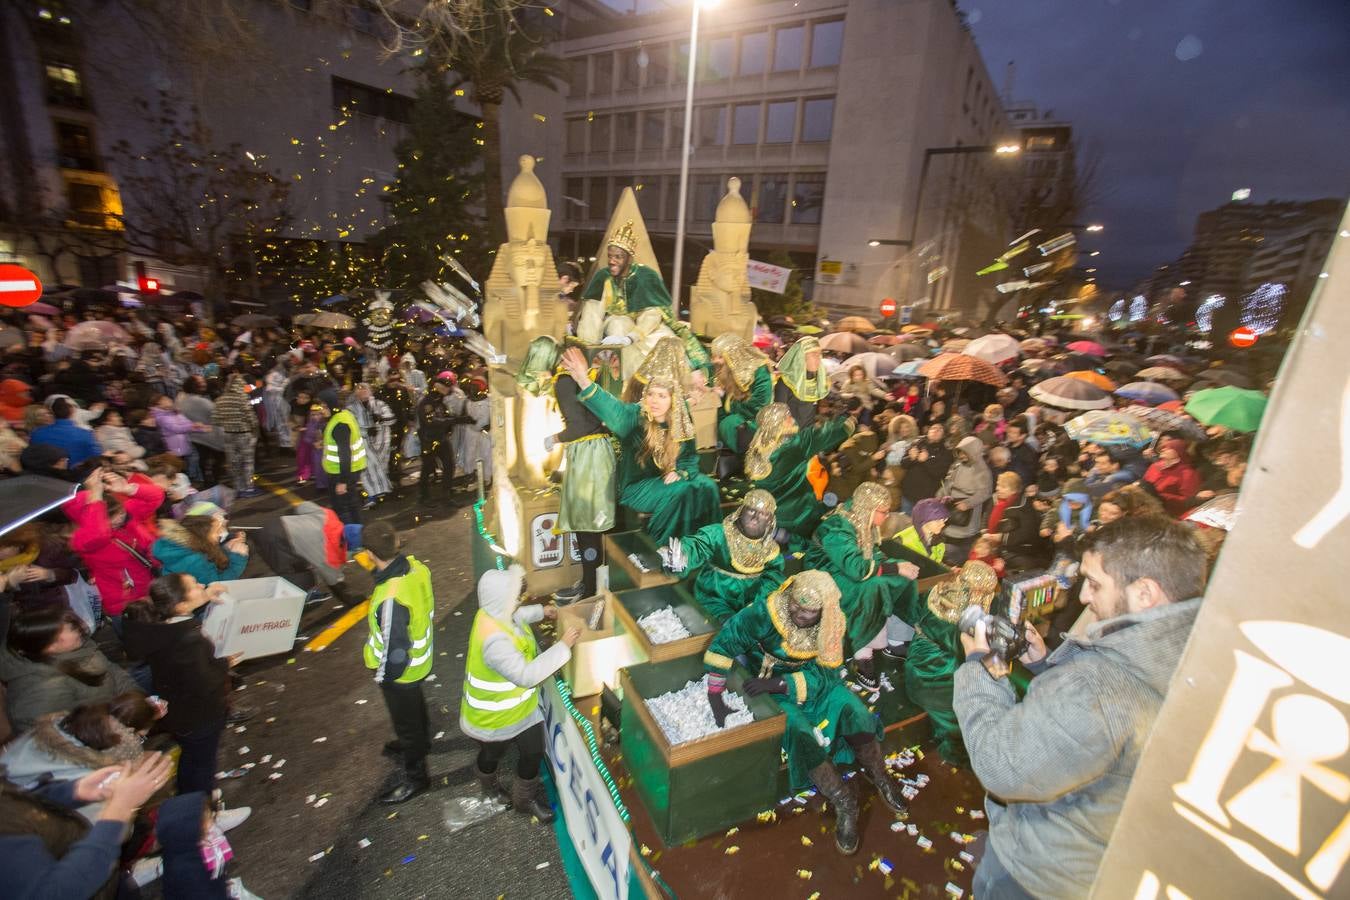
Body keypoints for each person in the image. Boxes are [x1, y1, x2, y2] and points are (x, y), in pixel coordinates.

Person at [953, 517, 1208, 899]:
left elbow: (1001, 765)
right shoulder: (1202, 651)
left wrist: (980, 670)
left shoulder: (1095, 689)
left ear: (1144, 593)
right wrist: (1046, 664)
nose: (1085, 597)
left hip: (1038, 871)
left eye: (1095, 584)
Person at [703, 571, 907, 855]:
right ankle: (845, 801)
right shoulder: (765, 612)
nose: (799, 614)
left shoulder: (834, 623)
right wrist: (715, 696)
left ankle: (880, 774)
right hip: (767, 689)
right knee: (799, 734)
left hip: (811, 684)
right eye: (796, 606)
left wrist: (783, 683)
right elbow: (725, 643)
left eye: (810, 611)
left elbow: (827, 672)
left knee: (857, 712)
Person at [560, 342, 720, 543]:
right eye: (651, 394)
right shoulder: (635, 416)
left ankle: (708, 544)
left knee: (707, 486)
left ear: (673, 400)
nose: (654, 401)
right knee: (681, 491)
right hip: (637, 488)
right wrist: (583, 379)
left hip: (668, 481)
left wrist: (680, 472)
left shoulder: (680, 418)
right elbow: (611, 407)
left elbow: (689, 458)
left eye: (662, 396)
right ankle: (664, 549)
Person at [460, 563, 579, 823]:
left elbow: (514, 616)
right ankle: (489, 788)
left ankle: (524, 799)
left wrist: (540, 612)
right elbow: (527, 676)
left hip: (521, 711)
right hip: (494, 718)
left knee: (533, 751)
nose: (518, 601)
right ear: (502, 602)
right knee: (492, 754)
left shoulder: (491, 613)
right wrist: (563, 647)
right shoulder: (495, 643)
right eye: (515, 598)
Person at [121, 574, 246, 798]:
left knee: (193, 760)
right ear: (181, 605)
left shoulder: (162, 630)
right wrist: (224, 664)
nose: (202, 585)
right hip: (199, 714)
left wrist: (206, 596)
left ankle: (195, 804)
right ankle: (203, 814)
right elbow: (204, 681)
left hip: (181, 713)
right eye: (195, 586)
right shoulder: (186, 640)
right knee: (201, 765)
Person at [1, 752, 176, 900]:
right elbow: (55, 893)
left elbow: (16, 804)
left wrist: (73, 792)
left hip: (83, 859)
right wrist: (119, 810)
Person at [519, 336, 616, 602]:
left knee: (586, 528)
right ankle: (592, 584)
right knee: (593, 527)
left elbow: (579, 427)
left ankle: (591, 589)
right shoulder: (587, 375)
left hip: (588, 457)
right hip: (598, 452)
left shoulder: (563, 381)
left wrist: (554, 439)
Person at [805, 482, 921, 690]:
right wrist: (893, 568)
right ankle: (863, 655)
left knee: (906, 575)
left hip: (851, 569)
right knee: (871, 587)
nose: (887, 517)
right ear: (869, 509)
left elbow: (873, 555)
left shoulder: (862, 519)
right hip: (824, 575)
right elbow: (856, 568)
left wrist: (898, 567)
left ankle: (896, 640)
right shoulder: (836, 527)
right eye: (884, 512)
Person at [361, 521, 436, 804]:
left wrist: (383, 676)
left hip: (401, 673)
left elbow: (396, 648)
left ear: (369, 553)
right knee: (416, 709)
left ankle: (417, 776)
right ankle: (422, 740)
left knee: (405, 723)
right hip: (419, 662)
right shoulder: (416, 568)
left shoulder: (390, 598)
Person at [0, 693, 160, 821]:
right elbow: (96, 832)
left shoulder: (53, 728)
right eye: (139, 738)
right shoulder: (91, 783)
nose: (139, 745)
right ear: (129, 732)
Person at [905, 560, 1000, 766]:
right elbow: (981, 659)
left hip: (918, 666)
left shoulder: (939, 592)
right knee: (967, 710)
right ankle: (958, 754)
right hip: (933, 678)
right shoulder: (961, 624)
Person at [0, 605, 143, 733]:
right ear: (50, 645)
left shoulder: (80, 646)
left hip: (122, 726)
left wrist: (138, 704)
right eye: (72, 628)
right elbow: (62, 742)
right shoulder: (37, 691)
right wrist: (125, 730)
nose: (80, 628)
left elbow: (113, 672)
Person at [660, 489, 786, 624]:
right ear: (741, 510)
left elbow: (774, 575)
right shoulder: (719, 533)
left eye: (763, 514)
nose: (755, 518)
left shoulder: (771, 548)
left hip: (751, 599)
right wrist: (683, 556)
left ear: (770, 520)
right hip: (715, 595)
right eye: (751, 510)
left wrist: (759, 601)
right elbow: (698, 545)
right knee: (729, 626)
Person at [64, 466, 166, 629]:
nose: (120, 517)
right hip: (125, 603)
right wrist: (95, 496)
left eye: (120, 511)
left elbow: (156, 496)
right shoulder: (82, 539)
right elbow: (98, 534)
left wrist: (128, 489)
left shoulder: (126, 518)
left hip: (151, 589)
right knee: (139, 643)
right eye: (112, 516)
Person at [744, 402, 856, 537]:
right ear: (778, 423)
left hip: (769, 512)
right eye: (788, 417)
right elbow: (825, 434)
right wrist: (847, 421)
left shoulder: (759, 446)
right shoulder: (795, 445)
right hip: (797, 513)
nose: (793, 419)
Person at [152, 502, 249, 587]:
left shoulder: (184, 544)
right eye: (216, 531)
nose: (219, 534)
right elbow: (216, 585)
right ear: (203, 532)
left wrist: (226, 549)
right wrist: (238, 559)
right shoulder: (195, 559)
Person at [710, 333, 773, 453]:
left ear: (733, 356)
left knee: (729, 423)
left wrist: (728, 402)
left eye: (720, 357)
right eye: (713, 357)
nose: (715, 361)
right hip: (737, 425)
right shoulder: (728, 370)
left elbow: (759, 406)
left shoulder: (759, 371)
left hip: (756, 426)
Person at [939, 435, 994, 560]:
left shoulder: (982, 470)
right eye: (960, 453)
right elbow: (949, 482)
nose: (962, 456)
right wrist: (942, 494)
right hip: (951, 503)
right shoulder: (957, 465)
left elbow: (985, 492)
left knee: (962, 540)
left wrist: (968, 503)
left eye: (965, 453)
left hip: (967, 511)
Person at [317, 388, 365, 525]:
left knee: (343, 509)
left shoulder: (339, 424)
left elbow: (345, 454)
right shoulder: (343, 416)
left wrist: (343, 481)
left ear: (332, 406)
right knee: (351, 505)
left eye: (324, 406)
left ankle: (352, 541)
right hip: (347, 471)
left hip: (342, 473)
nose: (321, 410)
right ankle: (356, 538)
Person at [211, 373, 260, 497]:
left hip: (228, 434)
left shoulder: (220, 399)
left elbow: (215, 420)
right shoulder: (242, 398)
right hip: (244, 434)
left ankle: (238, 487)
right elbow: (251, 418)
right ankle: (249, 488)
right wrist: (254, 429)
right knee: (247, 462)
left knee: (233, 462)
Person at [415, 376, 461, 506]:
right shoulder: (427, 402)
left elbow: (444, 415)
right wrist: (453, 421)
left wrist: (451, 421)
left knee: (449, 465)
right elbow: (431, 421)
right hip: (429, 439)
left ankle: (446, 494)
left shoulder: (439, 399)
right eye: (445, 387)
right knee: (428, 468)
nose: (447, 389)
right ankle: (423, 497)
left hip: (441, 437)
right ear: (438, 387)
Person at [348, 382, 396, 505]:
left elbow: (392, 419)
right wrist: (365, 430)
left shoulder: (379, 404)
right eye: (359, 388)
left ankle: (382, 491)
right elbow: (350, 426)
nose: (362, 390)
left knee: (381, 467)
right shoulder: (351, 408)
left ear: (370, 391)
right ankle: (371, 495)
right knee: (366, 469)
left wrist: (380, 419)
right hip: (363, 442)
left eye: (365, 388)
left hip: (382, 442)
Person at [773, 335, 829, 428]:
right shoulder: (786, 381)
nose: (818, 359)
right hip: (790, 435)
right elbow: (779, 414)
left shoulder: (818, 379)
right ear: (800, 358)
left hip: (808, 434)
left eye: (819, 354)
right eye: (813, 354)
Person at [29, 397, 101, 467]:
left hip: (43, 474)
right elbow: (97, 457)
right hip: (75, 476)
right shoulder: (85, 434)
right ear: (72, 411)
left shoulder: (37, 433)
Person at [900, 422, 952, 514]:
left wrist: (925, 461)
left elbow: (939, 474)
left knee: (920, 526)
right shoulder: (917, 442)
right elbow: (903, 463)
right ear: (928, 431)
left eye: (939, 429)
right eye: (933, 428)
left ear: (943, 435)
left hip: (925, 499)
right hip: (908, 494)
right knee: (904, 524)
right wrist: (911, 458)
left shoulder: (946, 452)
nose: (935, 431)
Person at [1144, 437, 1201, 515]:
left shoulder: (1188, 474)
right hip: (1145, 503)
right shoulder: (1154, 466)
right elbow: (1144, 483)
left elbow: (1188, 501)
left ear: (1177, 452)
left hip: (1167, 511)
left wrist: (1161, 496)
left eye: (1167, 448)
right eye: (1163, 447)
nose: (1162, 449)